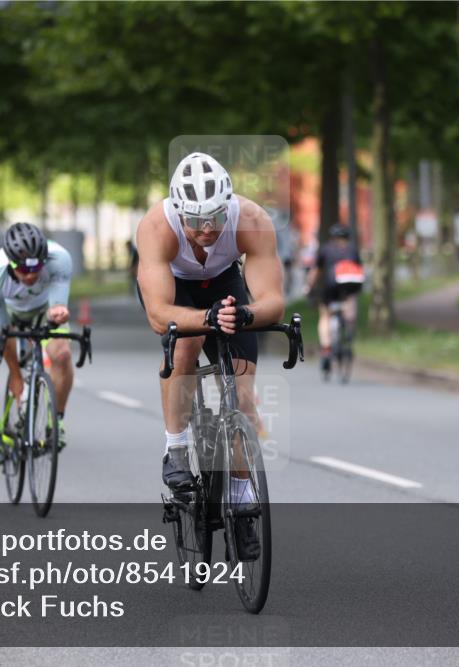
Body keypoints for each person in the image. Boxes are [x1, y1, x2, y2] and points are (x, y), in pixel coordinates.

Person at [135, 152, 284, 558]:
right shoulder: (156, 227)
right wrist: (206, 318)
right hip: (176, 290)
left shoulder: (250, 220)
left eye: (216, 218)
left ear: (228, 207)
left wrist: (244, 315)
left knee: (243, 396)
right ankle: (177, 446)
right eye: (196, 220)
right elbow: (158, 315)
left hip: (224, 283)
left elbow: (273, 301)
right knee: (185, 346)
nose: (206, 229)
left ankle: (241, 502)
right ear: (178, 211)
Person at [0, 223, 75, 464]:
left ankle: (56, 422)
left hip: (43, 308)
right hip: (6, 310)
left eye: (36, 267)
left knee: (62, 354)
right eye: (21, 269)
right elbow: (4, 333)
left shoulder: (59, 259)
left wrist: (59, 312)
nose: (29, 275)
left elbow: (58, 306)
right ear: (9, 261)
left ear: (44, 259)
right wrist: (15, 376)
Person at [307, 225, 364, 374]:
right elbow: (360, 269)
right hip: (350, 286)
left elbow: (316, 271)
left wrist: (310, 288)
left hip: (331, 286)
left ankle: (326, 348)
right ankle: (349, 327)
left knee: (325, 315)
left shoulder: (326, 249)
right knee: (350, 302)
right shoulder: (353, 250)